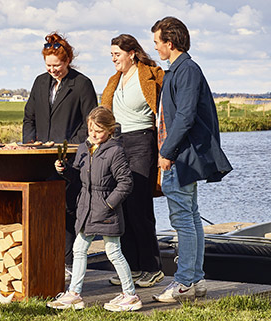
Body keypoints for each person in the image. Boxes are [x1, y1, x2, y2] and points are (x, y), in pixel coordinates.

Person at [150, 17, 232, 302]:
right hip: (181, 156)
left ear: (169, 43)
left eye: (158, 43)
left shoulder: (186, 70)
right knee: (191, 217)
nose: (156, 48)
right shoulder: (180, 69)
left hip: (179, 158)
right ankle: (196, 280)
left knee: (183, 219)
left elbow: (184, 117)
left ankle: (183, 282)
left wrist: (165, 152)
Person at [47, 107, 141, 312]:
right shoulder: (83, 148)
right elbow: (79, 177)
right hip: (86, 208)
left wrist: (109, 204)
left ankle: (130, 295)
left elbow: (126, 183)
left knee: (113, 251)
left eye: (98, 131)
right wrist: (65, 170)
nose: (94, 134)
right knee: (79, 249)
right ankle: (74, 294)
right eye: (91, 130)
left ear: (109, 130)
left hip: (106, 210)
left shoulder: (115, 151)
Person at [22, 32, 98, 276]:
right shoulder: (39, 82)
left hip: (71, 158)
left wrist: (69, 147)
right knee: (43, 208)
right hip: (40, 158)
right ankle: (45, 257)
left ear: (68, 61)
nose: (52, 70)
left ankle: (68, 264)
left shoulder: (82, 84)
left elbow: (90, 123)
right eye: (48, 66)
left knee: (68, 210)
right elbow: (29, 118)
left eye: (57, 65)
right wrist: (30, 144)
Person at [101, 34, 165, 288]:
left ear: (132, 53)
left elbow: (164, 112)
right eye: (112, 55)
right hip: (118, 142)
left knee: (139, 205)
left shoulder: (152, 75)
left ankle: (152, 267)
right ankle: (132, 268)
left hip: (142, 142)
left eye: (117, 54)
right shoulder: (114, 80)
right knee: (122, 207)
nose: (114, 59)